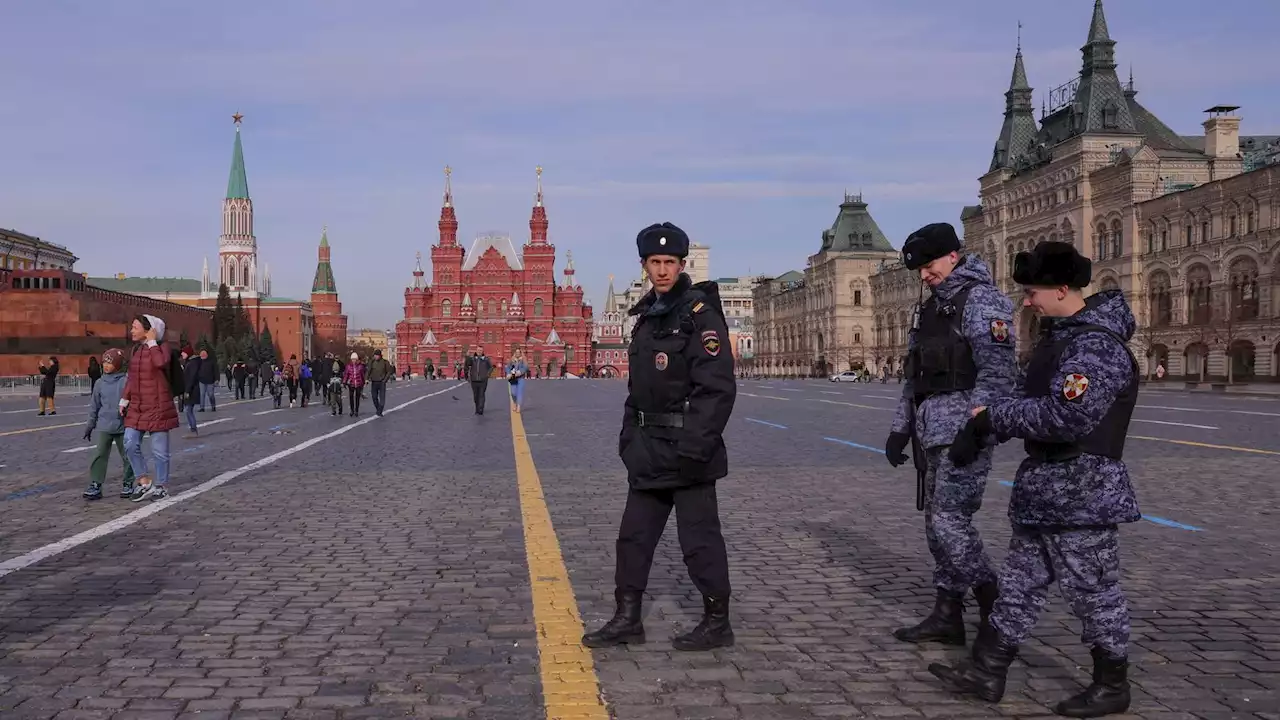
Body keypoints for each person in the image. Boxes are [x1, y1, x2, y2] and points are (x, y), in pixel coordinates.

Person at [930, 241, 1139, 717]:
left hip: (1084, 491)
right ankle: (986, 670)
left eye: (1032, 292)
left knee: (1094, 592)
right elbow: (1027, 402)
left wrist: (993, 417)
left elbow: (1068, 415)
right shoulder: (1061, 338)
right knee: (1019, 586)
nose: (1026, 302)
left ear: (1062, 288)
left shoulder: (1095, 345)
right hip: (1046, 489)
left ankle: (1112, 684)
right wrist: (984, 429)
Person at [581, 221, 737, 652]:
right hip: (649, 450)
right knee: (633, 537)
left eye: (670, 262)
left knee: (699, 541)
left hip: (689, 452)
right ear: (644, 265)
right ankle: (628, 618)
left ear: (682, 264)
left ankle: (717, 622)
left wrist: (695, 447)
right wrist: (628, 438)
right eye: (655, 262)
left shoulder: (700, 315)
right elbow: (639, 388)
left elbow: (718, 389)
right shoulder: (646, 317)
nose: (663, 270)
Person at [884, 222, 1016, 646]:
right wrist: (900, 429)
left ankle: (992, 598)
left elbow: (998, 375)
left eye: (928, 265)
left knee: (949, 522)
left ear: (953, 256)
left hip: (964, 434)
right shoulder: (930, 308)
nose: (923, 275)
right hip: (930, 432)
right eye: (918, 269)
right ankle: (947, 612)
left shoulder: (982, 301)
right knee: (934, 524)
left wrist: (976, 429)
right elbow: (913, 375)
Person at [121, 314, 179, 502]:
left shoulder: (163, 348)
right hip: (137, 406)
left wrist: (153, 342)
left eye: (135, 327)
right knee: (129, 443)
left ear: (149, 330)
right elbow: (132, 377)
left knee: (159, 451)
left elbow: (160, 362)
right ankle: (144, 481)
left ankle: (161, 486)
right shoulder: (136, 350)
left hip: (157, 405)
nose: (132, 330)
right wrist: (124, 399)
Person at [81, 348, 137, 500]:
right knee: (99, 455)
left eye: (109, 362)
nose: (106, 365)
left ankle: (128, 483)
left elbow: (132, 402)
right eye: (104, 362)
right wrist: (90, 425)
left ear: (118, 364)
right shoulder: (99, 383)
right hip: (105, 426)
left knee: (127, 456)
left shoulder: (125, 381)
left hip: (123, 426)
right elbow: (94, 406)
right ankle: (96, 484)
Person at [179, 345, 202, 438]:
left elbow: (191, 378)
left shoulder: (192, 363)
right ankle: (193, 429)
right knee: (188, 410)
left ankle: (193, 430)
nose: (182, 354)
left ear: (187, 353)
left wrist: (187, 391)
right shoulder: (189, 362)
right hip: (189, 389)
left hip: (191, 390)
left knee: (188, 410)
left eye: (183, 352)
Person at [366, 349, 394, 416]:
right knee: (374, 397)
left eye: (376, 355)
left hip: (382, 382)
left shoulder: (385, 362)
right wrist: (366, 379)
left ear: (380, 355)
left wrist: (385, 380)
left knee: (382, 399)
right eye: (374, 355)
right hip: (374, 382)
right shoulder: (371, 362)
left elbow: (389, 372)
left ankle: (379, 411)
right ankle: (378, 409)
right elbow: (368, 371)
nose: (375, 357)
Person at [468, 349, 492, 415]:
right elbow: (467, 364)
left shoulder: (486, 359)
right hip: (474, 380)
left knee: (481, 394)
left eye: (481, 350)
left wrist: (487, 375)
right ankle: (477, 408)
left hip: (483, 380)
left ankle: (481, 408)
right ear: (476, 351)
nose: (479, 351)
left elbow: (491, 367)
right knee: (476, 396)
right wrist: (467, 357)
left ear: (483, 351)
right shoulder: (472, 359)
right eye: (478, 350)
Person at [342, 352, 366, 417]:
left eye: (355, 359)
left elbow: (362, 375)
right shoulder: (348, 366)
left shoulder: (360, 366)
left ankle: (356, 410)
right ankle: (352, 410)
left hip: (358, 384)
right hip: (351, 384)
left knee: (357, 398)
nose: (354, 361)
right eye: (352, 359)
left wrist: (364, 382)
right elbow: (346, 375)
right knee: (351, 397)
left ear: (357, 359)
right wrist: (344, 382)